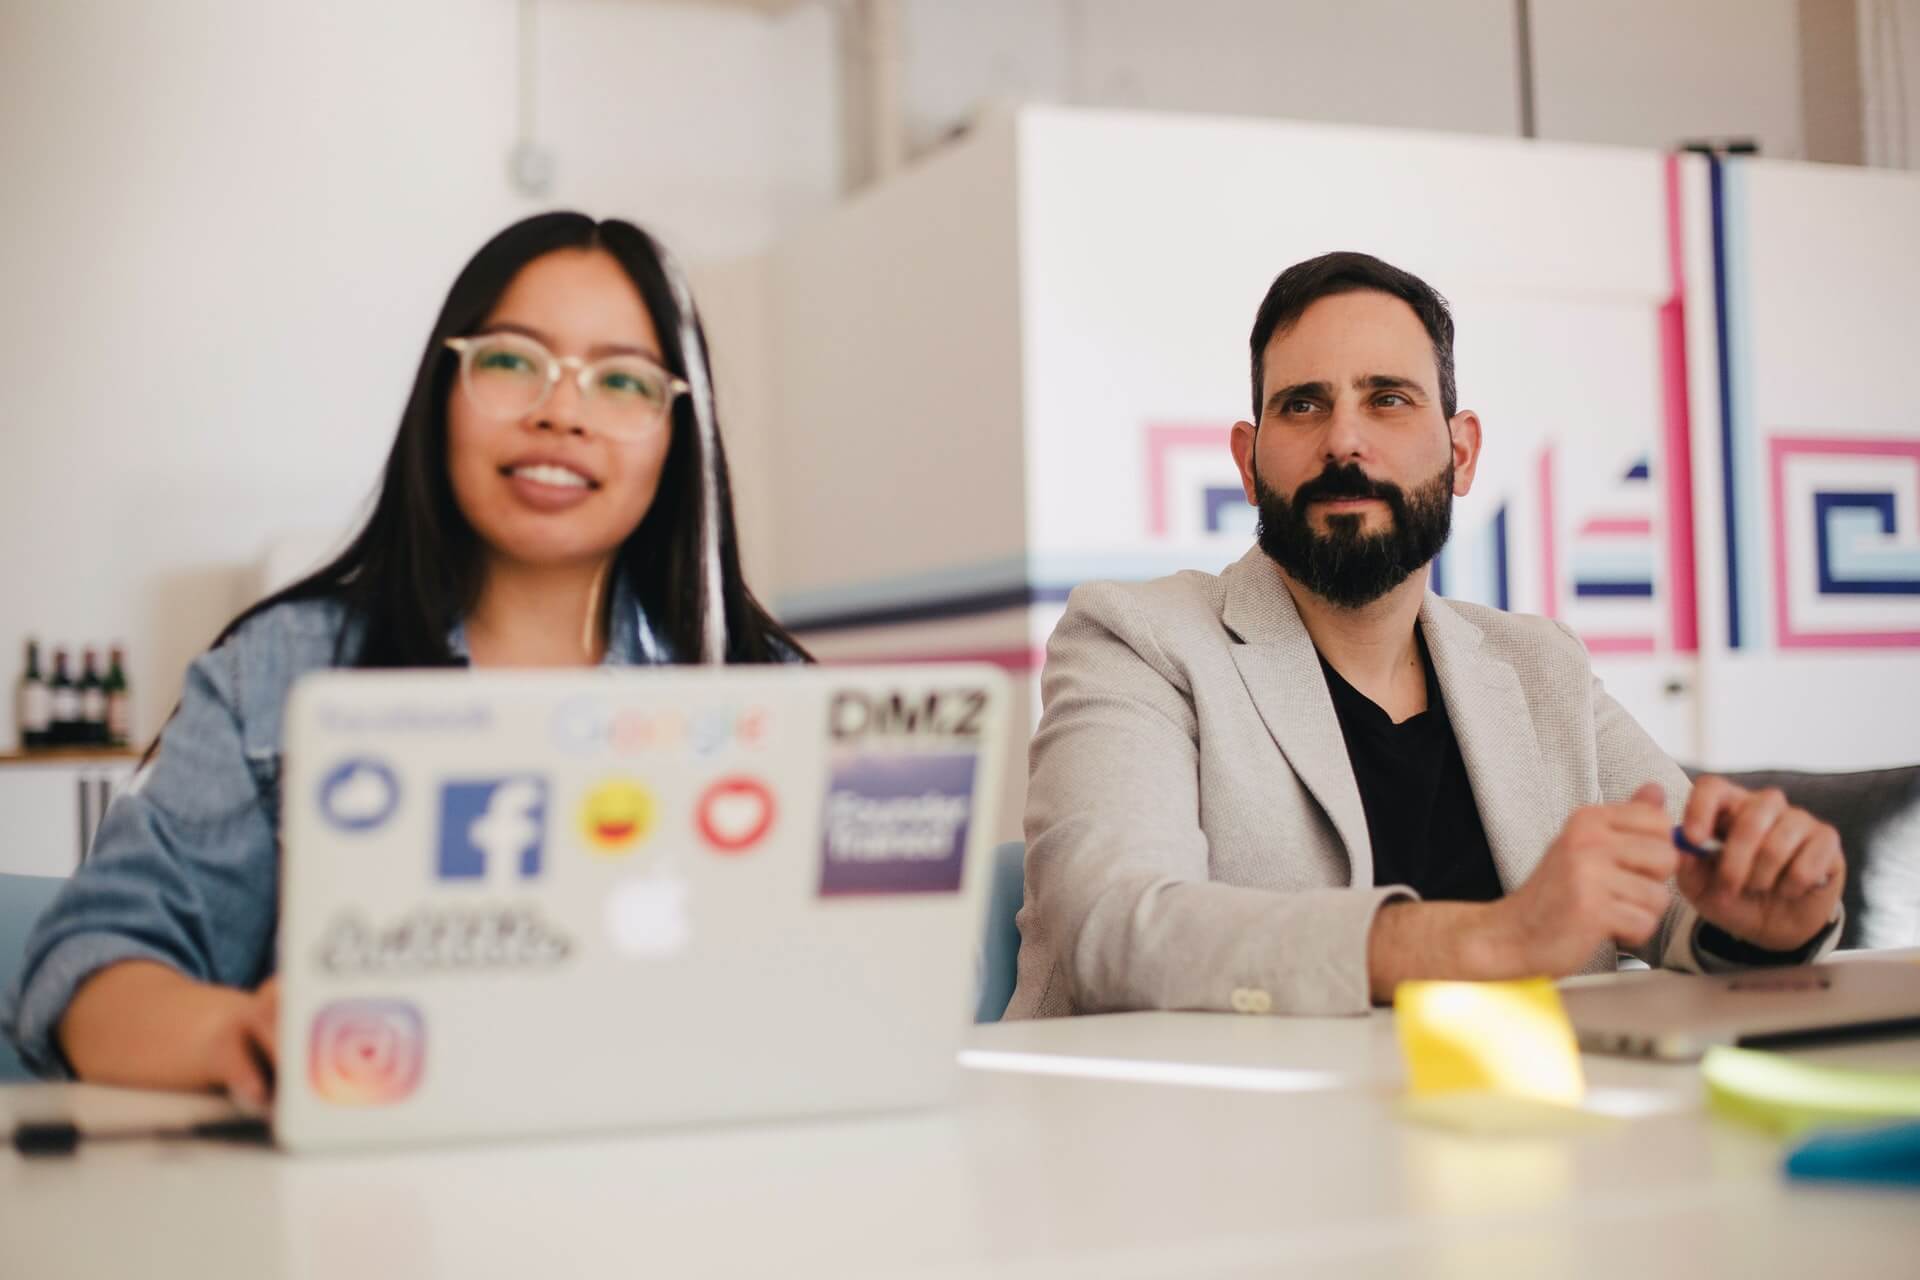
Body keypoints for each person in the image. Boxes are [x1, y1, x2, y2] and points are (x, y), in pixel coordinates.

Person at [2, 212, 805, 1094]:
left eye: (623, 381)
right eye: (510, 361)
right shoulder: (278, 673)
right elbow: (89, 963)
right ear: (442, 396)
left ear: (678, 435)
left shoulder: (774, 695)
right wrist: (238, 1034)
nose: (561, 411)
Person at [1006, 251, 1844, 1019]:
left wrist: (1762, 915)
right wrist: (1493, 941)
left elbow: (1682, 894)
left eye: (1389, 399)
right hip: (1209, 1158)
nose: (1344, 440)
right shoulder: (1138, 639)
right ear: (1249, 461)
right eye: (1303, 405)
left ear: (1462, 451)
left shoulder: (1539, 666)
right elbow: (1114, 932)